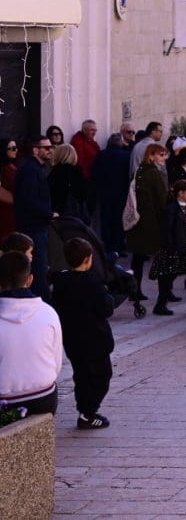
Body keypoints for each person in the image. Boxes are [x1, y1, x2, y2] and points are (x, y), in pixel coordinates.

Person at [50, 236, 114, 429]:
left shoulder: (61, 281)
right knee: (101, 376)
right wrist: (109, 299)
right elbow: (105, 308)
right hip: (94, 340)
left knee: (82, 376)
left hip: (73, 340)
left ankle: (85, 410)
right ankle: (88, 413)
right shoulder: (92, 282)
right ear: (88, 259)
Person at [0, 251, 62, 417]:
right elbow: (56, 364)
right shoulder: (48, 313)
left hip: (5, 401)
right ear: (30, 280)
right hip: (43, 397)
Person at [151, 179, 186, 316]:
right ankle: (160, 304)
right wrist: (171, 248)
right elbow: (167, 231)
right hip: (176, 248)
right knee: (167, 277)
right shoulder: (171, 210)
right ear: (180, 193)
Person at [14, 137, 57, 299]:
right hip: (33, 228)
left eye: (51, 147)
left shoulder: (35, 169)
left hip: (37, 226)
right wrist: (49, 214)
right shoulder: (31, 170)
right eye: (46, 148)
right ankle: (43, 305)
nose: (50, 150)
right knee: (38, 270)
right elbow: (28, 200)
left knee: (39, 269)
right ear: (35, 150)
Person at [128, 143, 168, 303]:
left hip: (138, 220)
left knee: (137, 258)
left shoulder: (138, 171)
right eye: (160, 155)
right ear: (151, 156)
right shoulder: (154, 173)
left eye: (164, 155)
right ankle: (163, 298)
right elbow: (161, 200)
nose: (163, 158)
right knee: (162, 258)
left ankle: (134, 290)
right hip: (151, 221)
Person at [91, 134, 131, 255]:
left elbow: (96, 173)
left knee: (106, 219)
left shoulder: (101, 154)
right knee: (119, 220)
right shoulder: (126, 155)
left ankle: (107, 247)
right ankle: (118, 246)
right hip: (121, 192)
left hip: (105, 192)